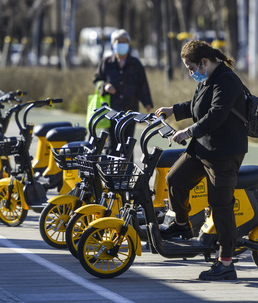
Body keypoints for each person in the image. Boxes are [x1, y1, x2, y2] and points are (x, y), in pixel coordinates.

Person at [155, 40, 248, 281]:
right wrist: (174, 109)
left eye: (190, 67)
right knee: (175, 178)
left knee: (221, 205)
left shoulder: (227, 80)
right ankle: (183, 224)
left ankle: (226, 262)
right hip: (204, 148)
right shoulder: (208, 78)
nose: (190, 72)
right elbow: (197, 106)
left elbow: (215, 114)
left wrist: (188, 132)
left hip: (224, 153)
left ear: (204, 62)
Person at [93, 29, 153, 155]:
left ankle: (126, 173)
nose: (121, 44)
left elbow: (142, 84)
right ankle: (109, 173)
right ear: (112, 44)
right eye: (118, 41)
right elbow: (96, 81)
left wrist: (147, 102)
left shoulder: (136, 64)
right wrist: (104, 87)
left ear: (128, 43)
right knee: (111, 144)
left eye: (124, 41)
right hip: (110, 111)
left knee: (127, 145)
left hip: (130, 111)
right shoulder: (106, 62)